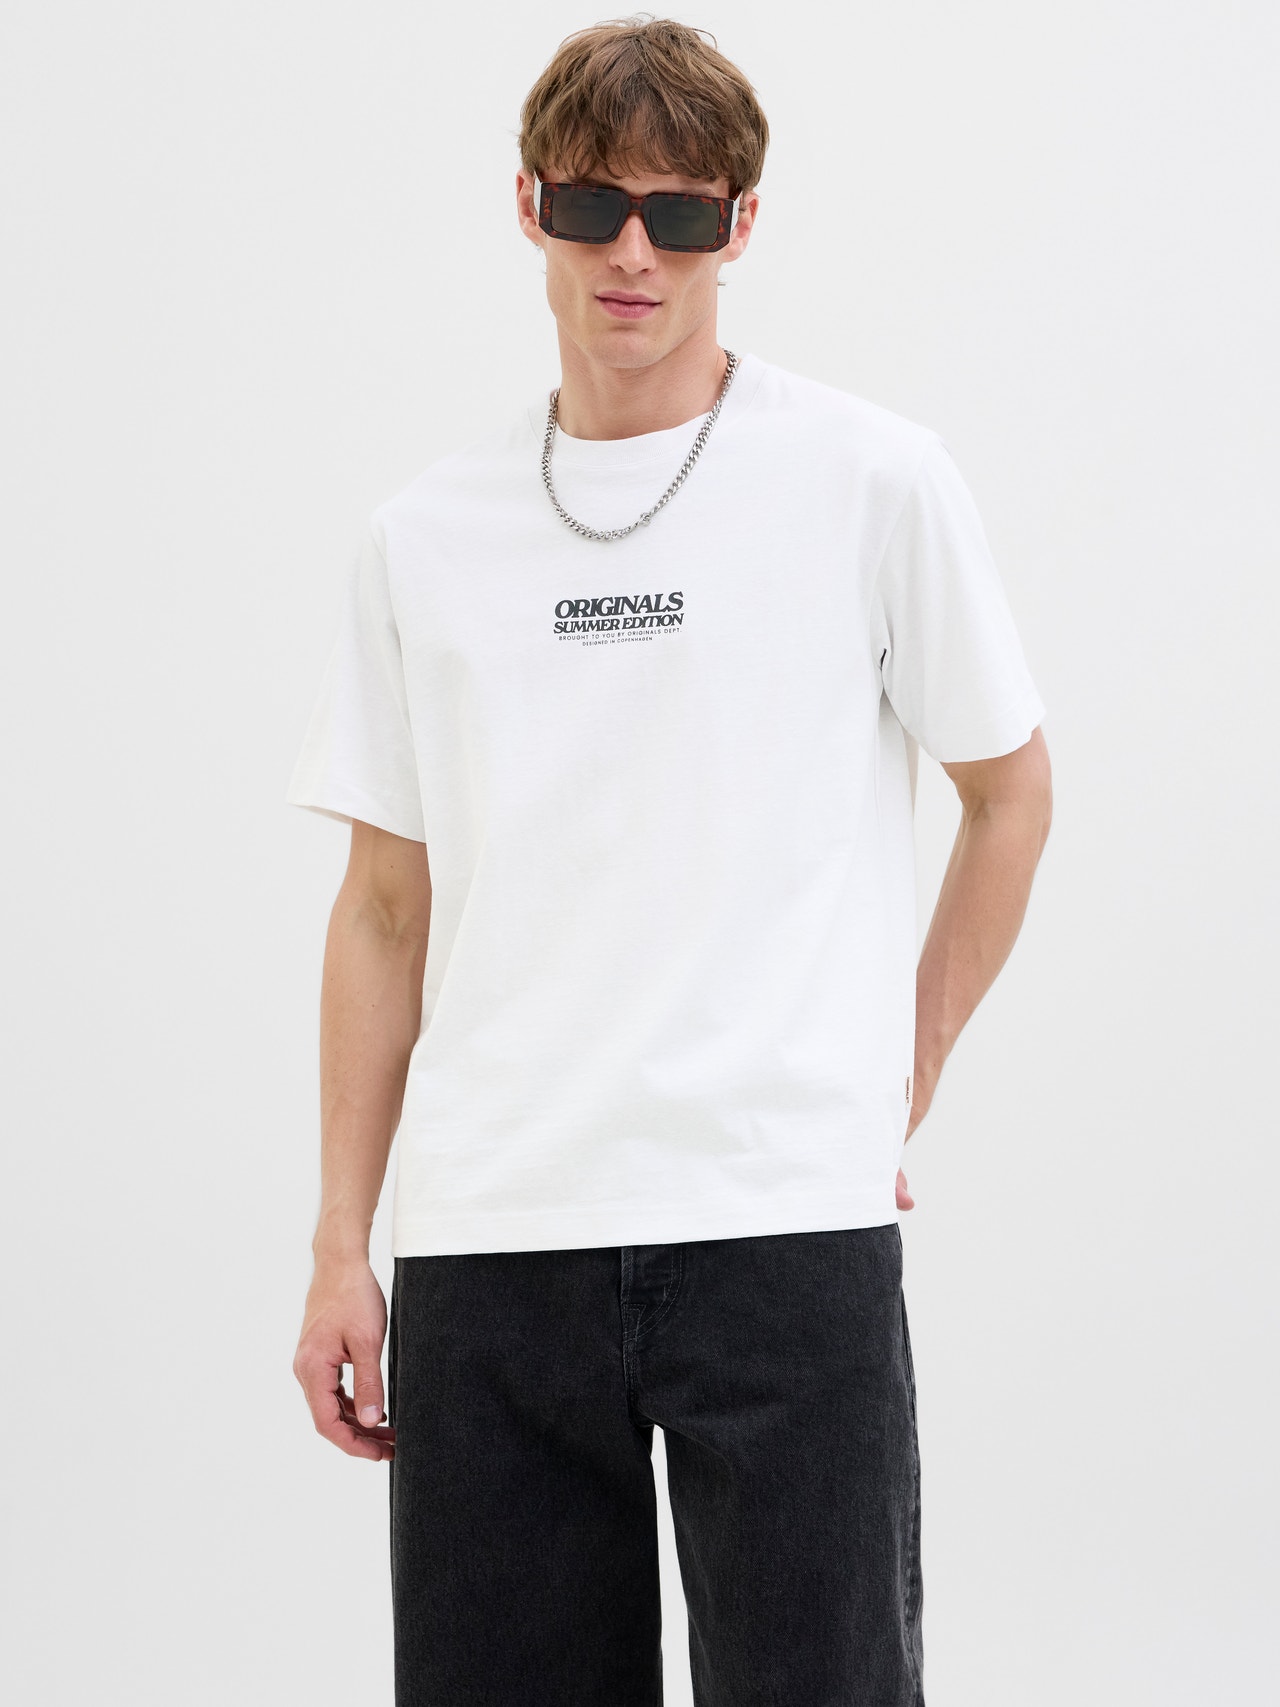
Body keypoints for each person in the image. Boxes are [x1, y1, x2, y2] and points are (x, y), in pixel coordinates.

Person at [286, 16, 1052, 1706]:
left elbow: (1010, 793)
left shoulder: (871, 482)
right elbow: (384, 909)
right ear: (529, 206)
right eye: (594, 206)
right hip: (494, 1236)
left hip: (780, 1221)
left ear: (741, 226)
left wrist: (906, 1062)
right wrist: (345, 1241)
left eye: (682, 215)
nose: (633, 255)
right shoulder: (423, 538)